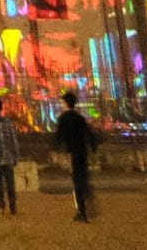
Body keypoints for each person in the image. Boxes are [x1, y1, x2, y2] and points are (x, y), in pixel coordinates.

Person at [54, 87, 96, 222]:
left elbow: (58, 136)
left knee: (76, 181)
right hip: (82, 151)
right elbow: (88, 133)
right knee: (82, 177)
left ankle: (81, 210)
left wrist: (55, 148)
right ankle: (87, 198)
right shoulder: (79, 118)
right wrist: (93, 146)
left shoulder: (64, 118)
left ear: (66, 103)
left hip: (72, 152)